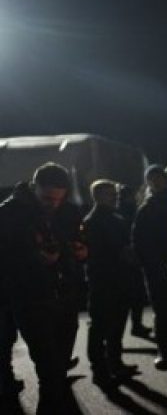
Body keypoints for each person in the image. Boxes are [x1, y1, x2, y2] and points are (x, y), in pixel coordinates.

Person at [0, 162, 86, 413]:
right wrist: (35, 259)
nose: (53, 204)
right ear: (34, 186)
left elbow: (76, 240)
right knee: (50, 372)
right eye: (48, 198)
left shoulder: (68, 211)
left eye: (59, 199)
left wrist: (80, 252)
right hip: (30, 299)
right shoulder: (9, 213)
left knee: (58, 369)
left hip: (65, 297)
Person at [82, 180, 138, 386]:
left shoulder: (115, 216)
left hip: (119, 278)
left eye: (114, 193)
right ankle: (99, 369)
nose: (114, 197)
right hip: (103, 280)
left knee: (116, 324)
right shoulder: (92, 221)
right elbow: (94, 253)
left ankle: (114, 363)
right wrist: (122, 254)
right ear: (96, 196)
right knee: (100, 326)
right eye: (108, 194)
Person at [132, 165, 167, 369]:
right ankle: (165, 350)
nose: (155, 182)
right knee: (162, 309)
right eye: (151, 179)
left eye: (158, 178)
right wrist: (147, 265)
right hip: (156, 268)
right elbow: (138, 240)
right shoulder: (146, 207)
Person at [117, 184, 151, 338]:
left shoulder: (121, 211)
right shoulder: (128, 211)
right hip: (129, 258)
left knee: (135, 295)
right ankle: (135, 325)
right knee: (134, 295)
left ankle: (136, 325)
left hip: (129, 258)